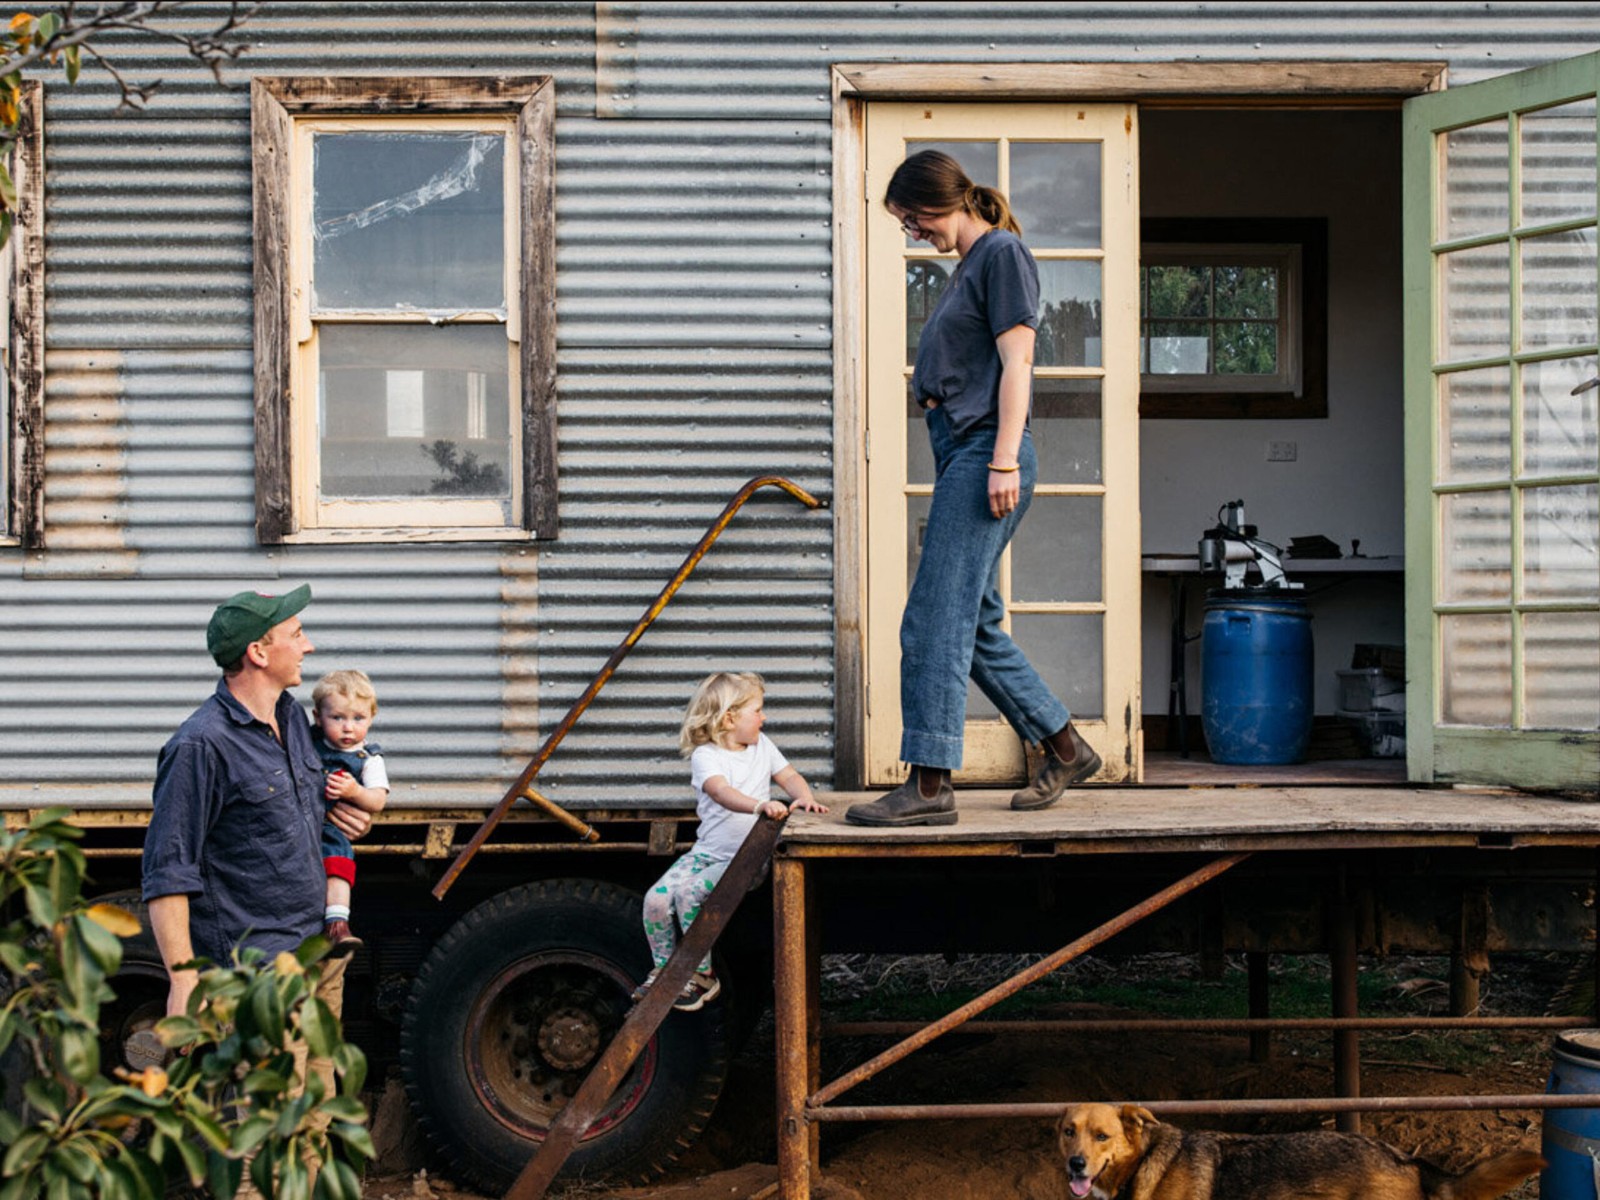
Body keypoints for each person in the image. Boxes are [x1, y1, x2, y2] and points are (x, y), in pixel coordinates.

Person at [846, 150, 1101, 829]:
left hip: (988, 449)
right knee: (976, 624)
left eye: (911, 218)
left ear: (938, 202)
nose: (911, 232)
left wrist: (1004, 461)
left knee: (932, 619)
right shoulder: (970, 268)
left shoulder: (1000, 255)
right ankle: (1065, 747)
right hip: (964, 449)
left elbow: (1020, 362)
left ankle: (929, 786)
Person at [141, 584, 372, 1026]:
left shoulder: (291, 717)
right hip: (258, 975)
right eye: (297, 633)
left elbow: (300, 811)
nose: (309, 645)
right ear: (259, 653)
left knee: (321, 1094)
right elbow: (168, 869)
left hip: (317, 952)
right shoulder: (200, 746)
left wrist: (349, 817)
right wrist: (184, 982)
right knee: (272, 1095)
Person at [635, 672, 828, 1011]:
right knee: (655, 900)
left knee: (690, 893)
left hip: (746, 861)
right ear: (729, 718)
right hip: (708, 854)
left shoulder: (762, 746)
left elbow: (790, 776)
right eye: (757, 710)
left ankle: (701, 976)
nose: (763, 717)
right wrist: (759, 805)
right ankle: (666, 971)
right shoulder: (705, 756)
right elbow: (720, 791)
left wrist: (804, 797)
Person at [310, 669, 390, 956]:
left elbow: (377, 799)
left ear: (371, 717)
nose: (348, 728)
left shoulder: (368, 759)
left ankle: (337, 924)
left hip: (331, 827)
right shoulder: (308, 743)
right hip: (305, 825)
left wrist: (354, 792)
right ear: (318, 717)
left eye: (358, 719)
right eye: (338, 718)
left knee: (338, 865)